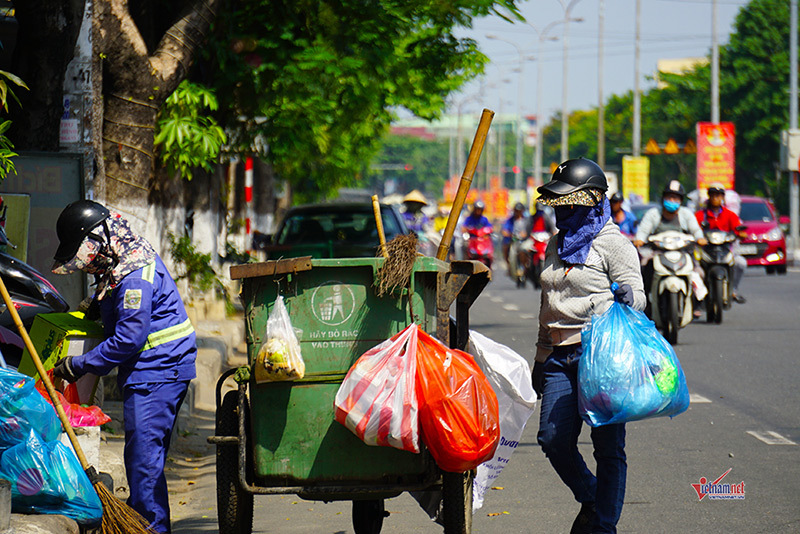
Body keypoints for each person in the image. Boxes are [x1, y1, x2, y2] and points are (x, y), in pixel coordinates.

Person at [50, 200, 196, 534]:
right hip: (155, 369)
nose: (86, 269)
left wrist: (77, 364)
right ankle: (150, 524)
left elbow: (129, 339)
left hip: (159, 371)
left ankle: (150, 528)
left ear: (96, 243)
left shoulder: (134, 276)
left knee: (144, 464)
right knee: (145, 460)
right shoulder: (121, 263)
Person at [532, 157, 646, 534]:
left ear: (593, 200)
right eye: (558, 203)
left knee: (608, 448)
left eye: (570, 203)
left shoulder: (614, 244)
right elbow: (547, 304)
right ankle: (592, 496)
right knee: (552, 438)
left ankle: (604, 526)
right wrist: (539, 356)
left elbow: (639, 294)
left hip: (601, 358)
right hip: (558, 358)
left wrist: (629, 296)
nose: (562, 210)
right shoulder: (555, 244)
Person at [633, 180, 707, 302]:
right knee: (644, 270)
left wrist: (700, 238)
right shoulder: (653, 214)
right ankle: (646, 303)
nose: (672, 201)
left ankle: (696, 303)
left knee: (699, 273)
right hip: (658, 254)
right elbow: (643, 231)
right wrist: (639, 240)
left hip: (684, 254)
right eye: (669, 197)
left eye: (675, 198)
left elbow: (696, 230)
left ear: (681, 201)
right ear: (663, 198)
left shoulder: (686, 214)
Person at [695, 182, 747, 303]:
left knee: (741, 263)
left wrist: (741, 234)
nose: (715, 198)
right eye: (713, 195)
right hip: (705, 251)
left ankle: (733, 289)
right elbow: (692, 229)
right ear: (709, 196)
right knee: (695, 270)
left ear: (723, 197)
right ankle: (697, 300)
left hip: (725, 250)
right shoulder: (700, 215)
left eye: (718, 195)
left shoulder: (730, 215)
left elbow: (738, 228)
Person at [501, 202, 528, 274]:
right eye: (516, 211)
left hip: (523, 241)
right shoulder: (510, 220)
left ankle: (525, 266)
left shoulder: (526, 220)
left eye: (520, 211)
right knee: (505, 247)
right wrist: (507, 233)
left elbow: (529, 230)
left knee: (524, 250)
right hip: (512, 240)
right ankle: (509, 265)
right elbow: (504, 230)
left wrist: (525, 234)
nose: (518, 213)